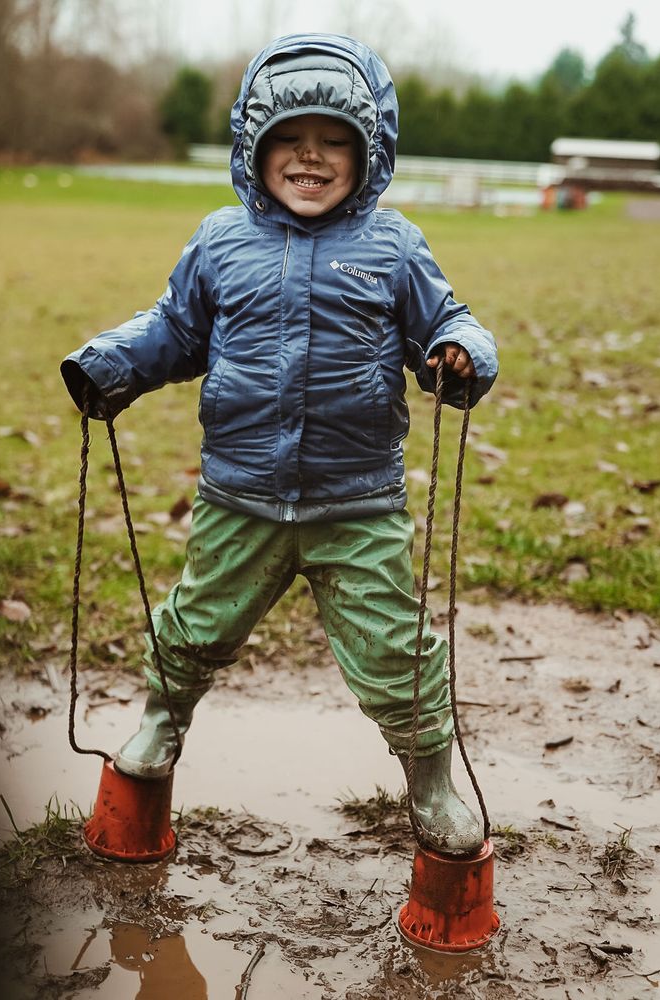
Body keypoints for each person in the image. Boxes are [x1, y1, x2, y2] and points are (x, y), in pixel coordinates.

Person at [61, 34, 498, 855]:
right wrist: (109, 364)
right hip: (240, 496)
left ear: (369, 152)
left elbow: (446, 320)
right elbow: (175, 329)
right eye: (289, 138)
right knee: (194, 626)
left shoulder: (393, 246)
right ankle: (160, 726)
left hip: (358, 505)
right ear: (252, 147)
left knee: (396, 648)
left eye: (335, 140)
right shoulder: (222, 241)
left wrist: (462, 354)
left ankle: (431, 775)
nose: (311, 156)